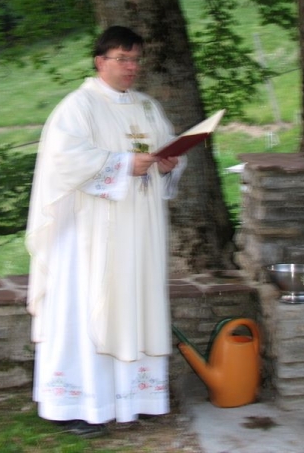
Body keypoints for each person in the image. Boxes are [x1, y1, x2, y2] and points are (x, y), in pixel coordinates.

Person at [26, 25, 185, 438]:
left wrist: (170, 163)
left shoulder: (147, 107)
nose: (131, 67)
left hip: (141, 229)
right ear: (100, 61)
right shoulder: (77, 107)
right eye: (122, 59)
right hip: (89, 233)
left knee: (136, 301)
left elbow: (166, 147)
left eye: (136, 59)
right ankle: (81, 404)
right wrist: (122, 164)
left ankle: (136, 398)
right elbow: (64, 160)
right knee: (87, 309)